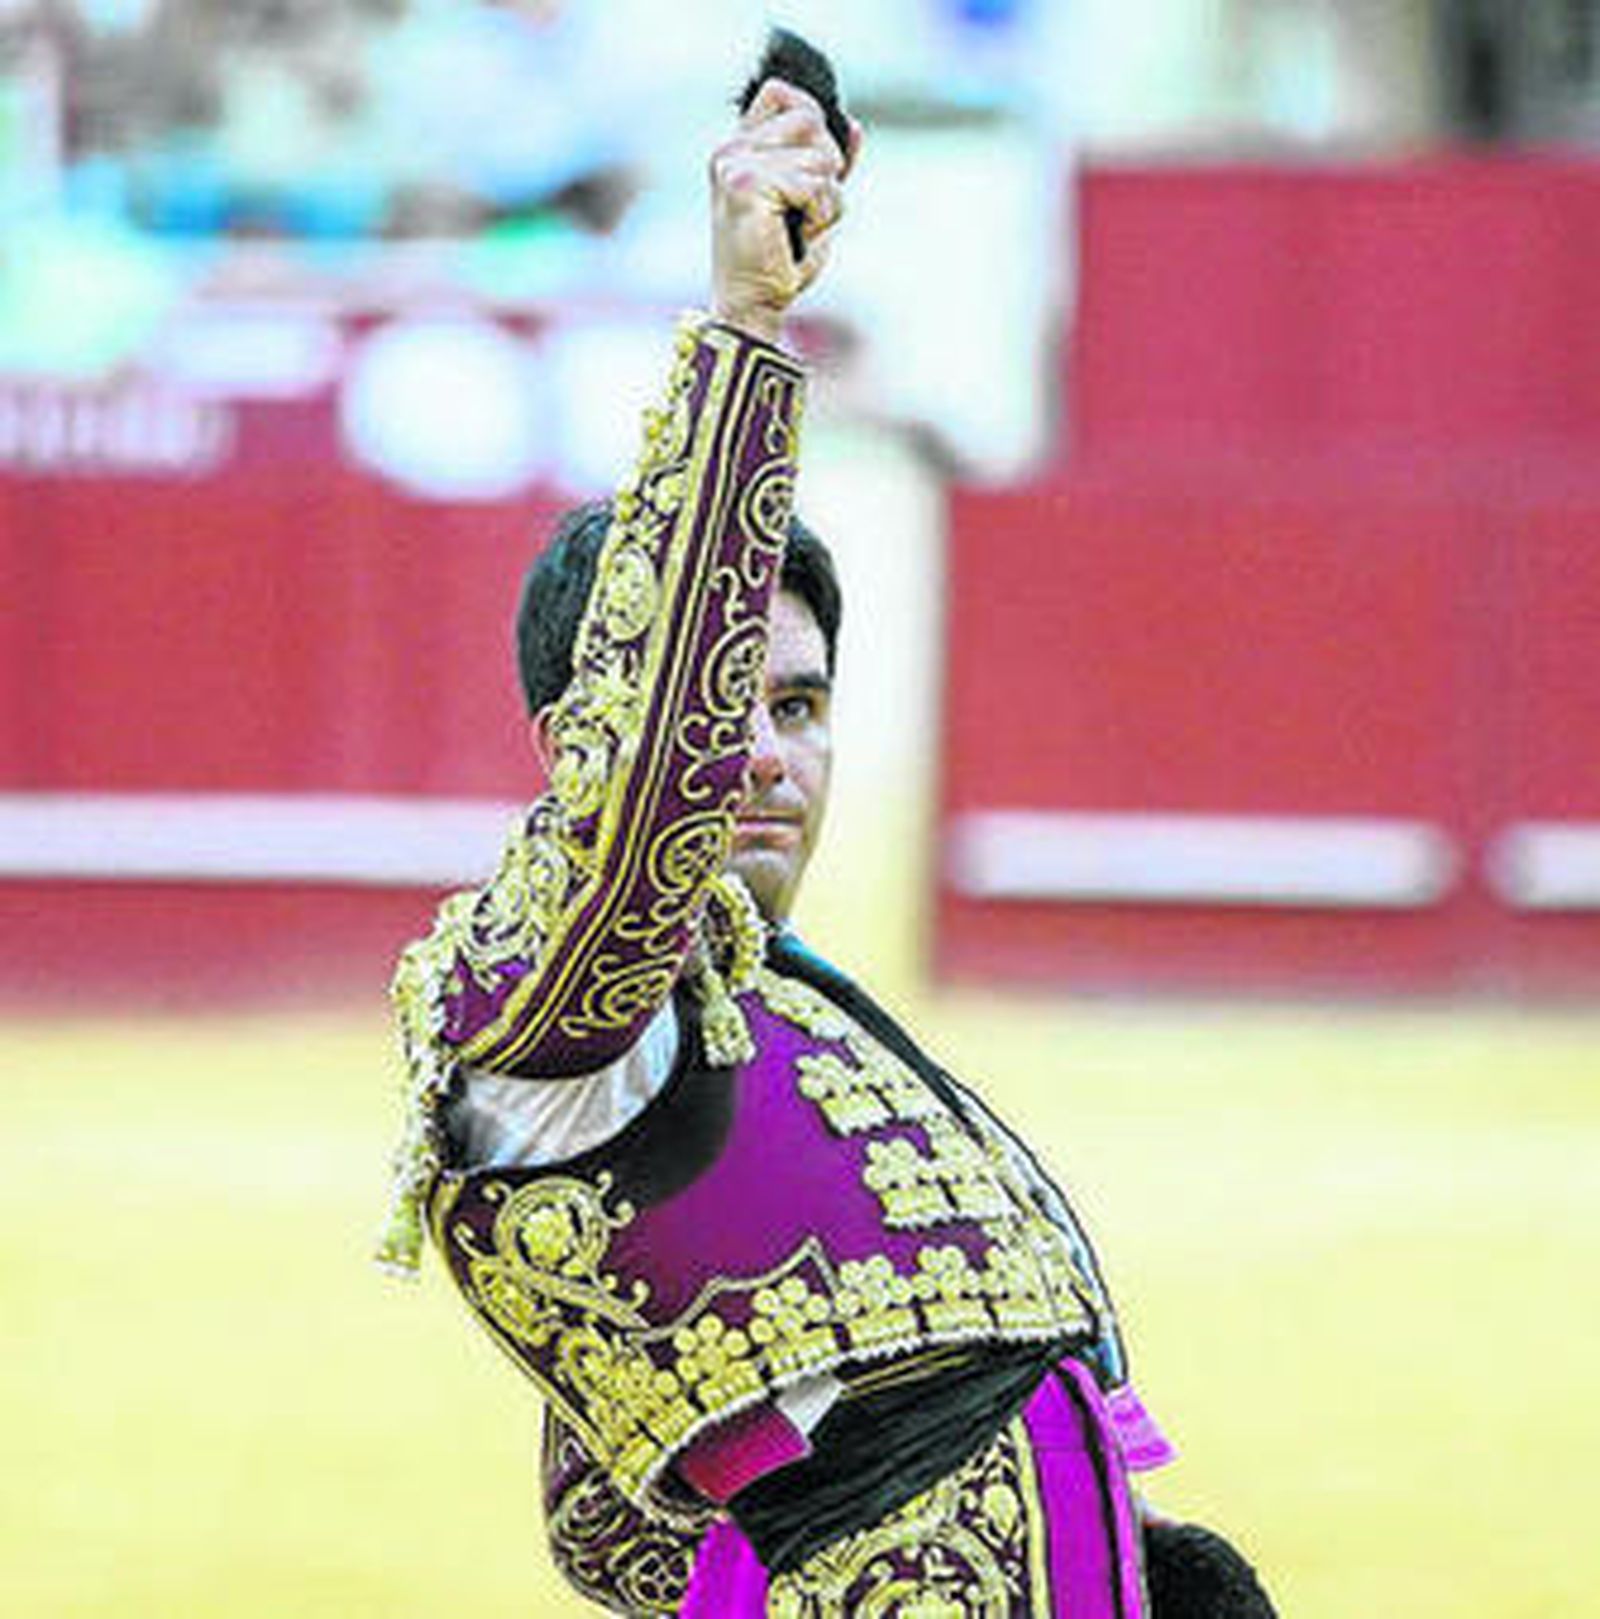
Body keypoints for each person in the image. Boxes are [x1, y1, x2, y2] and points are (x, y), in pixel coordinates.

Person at [379, 75, 1273, 1619]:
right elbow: (652, 772)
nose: (766, 755)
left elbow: (617, 1530)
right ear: (582, 750)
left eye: (800, 703)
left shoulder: (771, 1015)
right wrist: (743, 321)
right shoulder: (537, 993)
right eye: (730, 700)